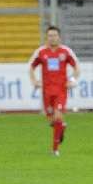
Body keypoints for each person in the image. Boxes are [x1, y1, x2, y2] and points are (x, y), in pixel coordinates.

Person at [28, 26, 80, 156]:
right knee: (52, 121)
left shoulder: (65, 52)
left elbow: (76, 68)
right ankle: (61, 127)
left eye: (55, 35)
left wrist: (72, 79)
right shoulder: (41, 52)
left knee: (58, 116)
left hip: (61, 90)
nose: (52, 38)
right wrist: (34, 80)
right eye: (50, 35)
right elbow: (31, 67)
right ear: (47, 37)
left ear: (59, 37)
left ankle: (55, 149)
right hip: (46, 92)